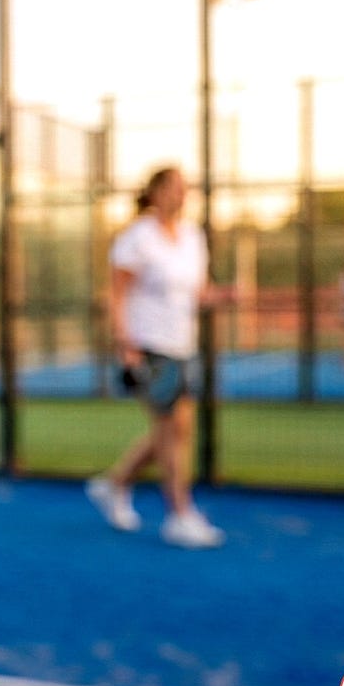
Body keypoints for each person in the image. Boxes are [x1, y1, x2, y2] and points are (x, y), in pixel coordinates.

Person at [87, 167, 226, 549]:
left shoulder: (192, 237)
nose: (183, 195)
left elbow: (199, 292)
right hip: (149, 344)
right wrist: (124, 343)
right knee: (172, 428)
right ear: (156, 192)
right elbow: (116, 294)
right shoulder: (138, 238)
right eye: (176, 188)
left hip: (183, 344)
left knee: (174, 429)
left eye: (186, 189)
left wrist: (227, 296)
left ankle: (114, 485)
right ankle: (180, 515)